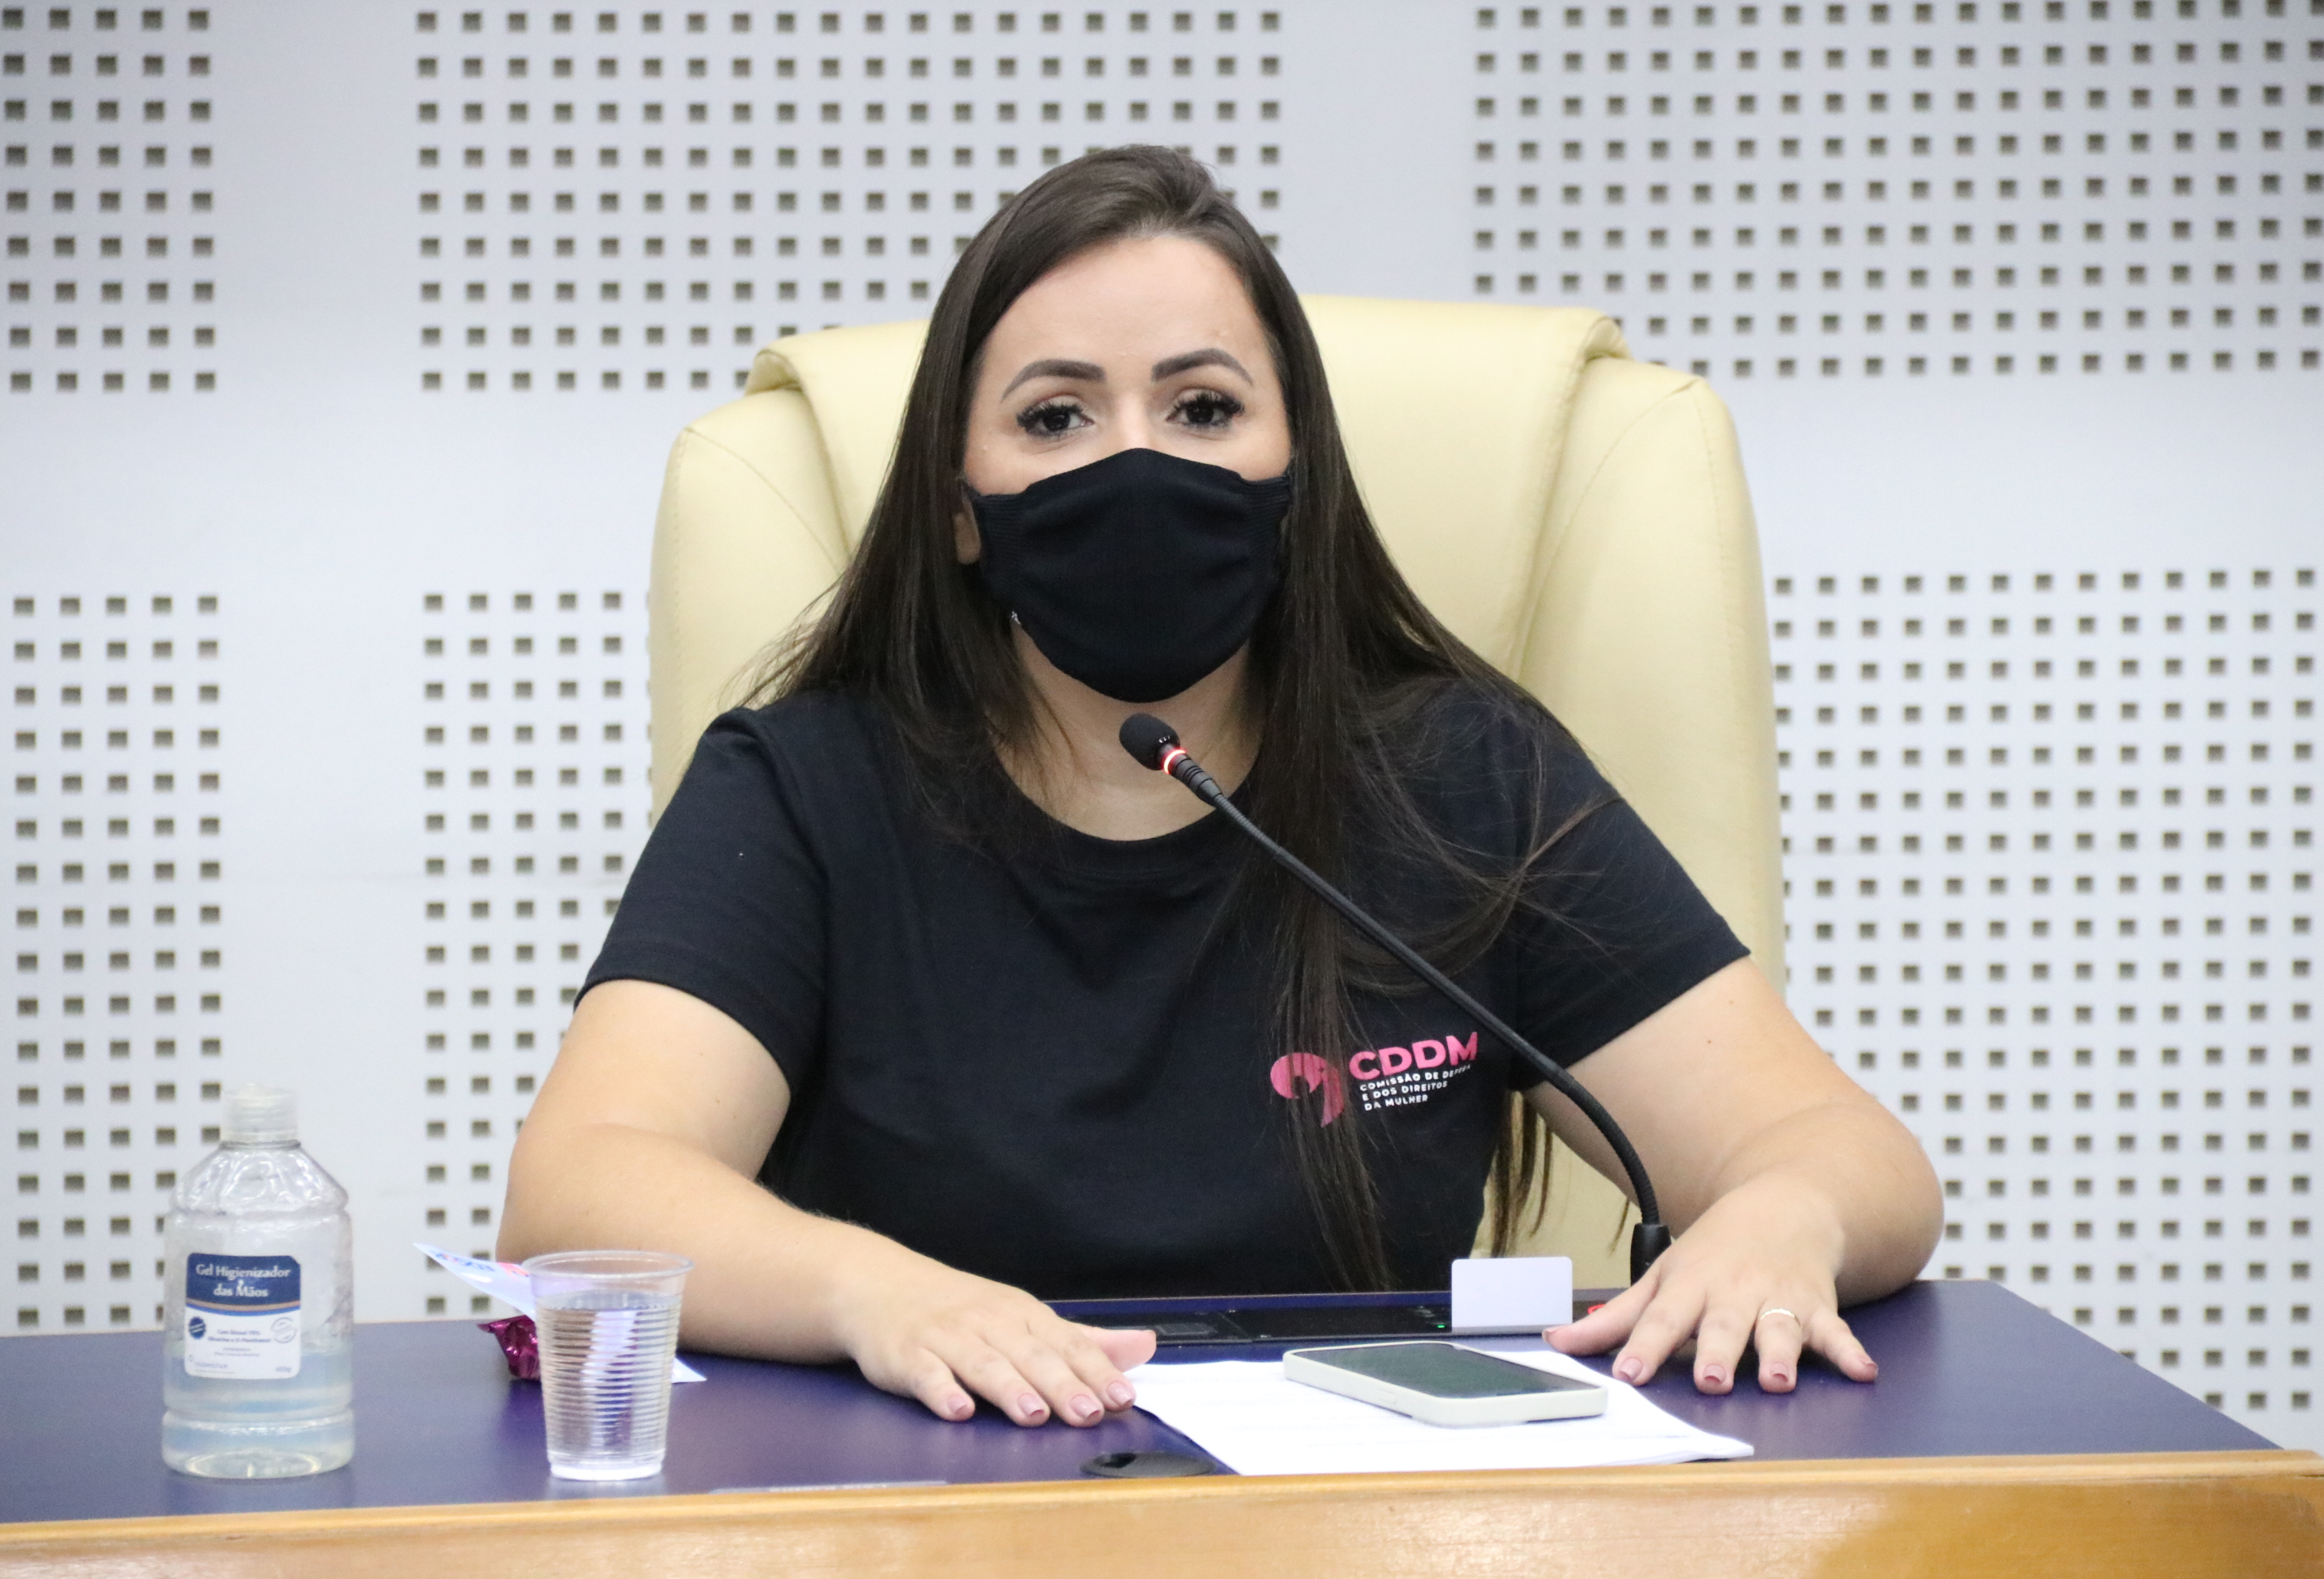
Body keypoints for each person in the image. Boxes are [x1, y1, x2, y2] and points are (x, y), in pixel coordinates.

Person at [500, 146, 1941, 1433]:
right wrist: (873, 1293)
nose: (1136, 461)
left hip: (1366, 1512)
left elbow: (1844, 1155)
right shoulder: (806, 788)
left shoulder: (1462, 778)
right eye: (1056, 418)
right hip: (928, 1505)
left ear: (1294, 474)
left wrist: (1786, 1222)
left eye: (1201, 407)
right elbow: (579, 1197)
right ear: (959, 506)